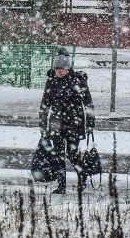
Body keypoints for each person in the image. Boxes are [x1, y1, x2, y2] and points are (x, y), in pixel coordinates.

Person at [39, 48, 95, 195]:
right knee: (58, 156)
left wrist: (90, 122)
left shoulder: (77, 81)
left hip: (73, 124)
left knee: (73, 154)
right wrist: (43, 125)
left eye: (62, 69)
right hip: (56, 124)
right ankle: (61, 184)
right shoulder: (51, 82)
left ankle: (81, 177)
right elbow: (45, 105)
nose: (59, 71)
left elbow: (88, 103)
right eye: (57, 68)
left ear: (67, 68)